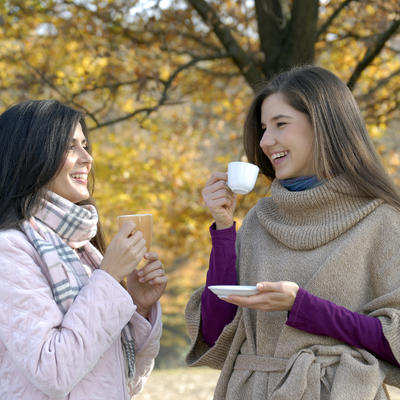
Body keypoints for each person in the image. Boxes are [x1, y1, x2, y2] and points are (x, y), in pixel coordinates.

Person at [185, 65, 400, 399]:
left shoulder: (382, 221)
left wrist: (303, 307)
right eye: (263, 129)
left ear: (324, 126)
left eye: (280, 125)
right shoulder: (259, 219)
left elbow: (395, 340)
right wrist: (224, 229)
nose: (266, 141)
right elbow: (215, 335)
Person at [0, 100, 167, 399]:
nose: (87, 158)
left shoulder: (82, 250)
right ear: (31, 156)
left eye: (85, 145)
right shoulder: (10, 249)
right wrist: (109, 275)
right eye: (70, 146)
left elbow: (124, 380)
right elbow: (52, 370)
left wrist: (138, 306)